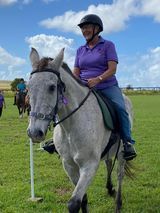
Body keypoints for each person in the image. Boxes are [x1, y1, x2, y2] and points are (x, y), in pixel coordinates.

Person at [73, 14, 137, 161]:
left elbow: (112, 69)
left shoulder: (108, 45)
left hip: (107, 85)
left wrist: (98, 79)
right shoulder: (80, 50)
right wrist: (74, 83)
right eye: (83, 28)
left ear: (97, 29)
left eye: (87, 27)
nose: (84, 31)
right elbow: (76, 72)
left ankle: (127, 142)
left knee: (120, 108)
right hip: (85, 87)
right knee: (65, 103)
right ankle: (57, 140)